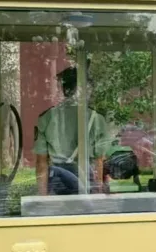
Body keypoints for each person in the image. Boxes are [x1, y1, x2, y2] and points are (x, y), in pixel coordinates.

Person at [34, 66, 111, 196]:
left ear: (64, 89)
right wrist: (97, 191)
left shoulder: (46, 118)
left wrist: (43, 197)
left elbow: (41, 162)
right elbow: (99, 160)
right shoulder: (97, 119)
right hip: (85, 179)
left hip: (58, 182)